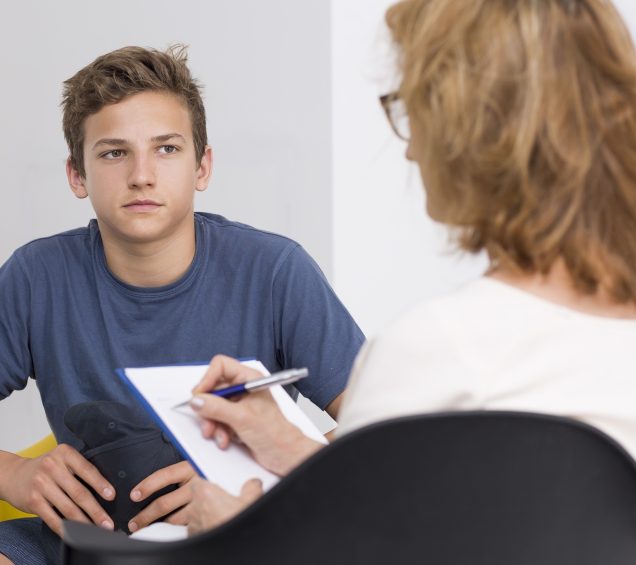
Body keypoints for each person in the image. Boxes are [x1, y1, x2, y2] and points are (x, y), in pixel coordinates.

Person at [180, 0, 636, 534]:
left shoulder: (439, 350)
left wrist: (234, 535)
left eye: (412, 106)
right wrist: (293, 446)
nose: (412, 150)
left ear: (465, 131)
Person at [0, 45, 364, 565]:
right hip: (81, 540)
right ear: (77, 175)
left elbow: (374, 430)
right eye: (113, 152)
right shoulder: (36, 277)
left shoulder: (275, 269)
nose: (142, 175)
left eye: (167, 149)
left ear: (202, 166)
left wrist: (249, 477)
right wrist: (13, 473)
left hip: (241, 533)